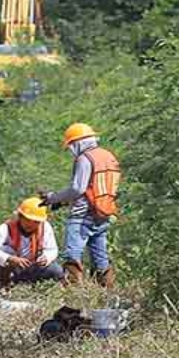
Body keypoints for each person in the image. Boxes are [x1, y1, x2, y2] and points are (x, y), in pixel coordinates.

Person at [41, 123, 121, 288]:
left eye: (71, 144)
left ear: (78, 142)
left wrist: (53, 198)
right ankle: (108, 293)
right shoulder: (107, 156)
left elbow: (78, 189)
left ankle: (74, 296)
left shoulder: (85, 158)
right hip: (102, 214)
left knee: (72, 256)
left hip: (82, 216)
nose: (71, 149)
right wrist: (64, 201)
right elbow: (95, 188)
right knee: (101, 258)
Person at [0, 197, 64, 288]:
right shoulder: (6, 228)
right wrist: (11, 259)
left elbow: (52, 249)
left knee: (56, 270)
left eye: (36, 222)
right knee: (5, 250)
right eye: (28, 220)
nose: (31, 224)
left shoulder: (45, 227)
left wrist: (46, 257)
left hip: (33, 267)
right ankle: (4, 284)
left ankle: (37, 287)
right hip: (11, 269)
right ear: (20, 216)